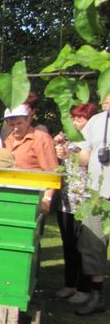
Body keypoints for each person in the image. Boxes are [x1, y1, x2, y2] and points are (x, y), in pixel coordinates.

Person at [56, 94, 110, 315]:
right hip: (98, 195)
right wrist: (68, 154)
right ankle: (96, 296)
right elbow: (85, 157)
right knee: (92, 244)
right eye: (105, 93)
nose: (105, 98)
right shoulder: (97, 121)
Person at [53, 103, 98, 304]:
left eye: (80, 118)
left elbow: (84, 160)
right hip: (65, 200)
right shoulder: (67, 137)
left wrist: (67, 153)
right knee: (68, 244)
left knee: (84, 247)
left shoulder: (93, 139)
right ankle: (70, 285)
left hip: (85, 201)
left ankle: (84, 288)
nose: (75, 122)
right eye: (73, 118)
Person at [4, 104, 58, 215]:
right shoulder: (7, 140)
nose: (16, 128)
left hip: (32, 198)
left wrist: (47, 199)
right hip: (10, 196)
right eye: (12, 124)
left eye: (19, 123)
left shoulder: (41, 138)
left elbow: (53, 172)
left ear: (28, 120)